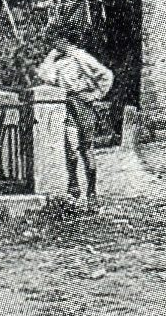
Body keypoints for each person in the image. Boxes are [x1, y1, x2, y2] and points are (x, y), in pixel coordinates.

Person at [36, 35, 114, 210]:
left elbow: (106, 75)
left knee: (86, 148)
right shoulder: (58, 61)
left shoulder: (81, 57)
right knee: (71, 148)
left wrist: (96, 95)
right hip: (66, 104)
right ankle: (74, 187)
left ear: (66, 41)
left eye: (57, 41)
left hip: (83, 105)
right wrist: (50, 56)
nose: (55, 44)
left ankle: (92, 193)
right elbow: (44, 76)